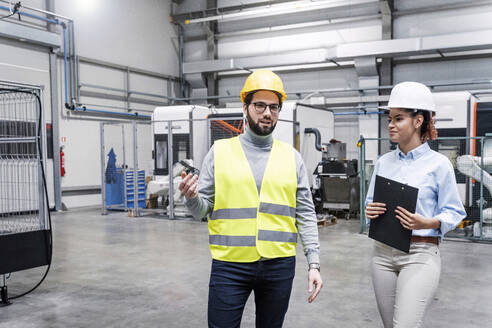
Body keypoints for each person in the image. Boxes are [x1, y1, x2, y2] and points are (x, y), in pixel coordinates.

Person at [179, 69, 322, 328]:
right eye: (259, 105)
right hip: (229, 265)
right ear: (245, 107)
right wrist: (191, 198)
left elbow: (306, 214)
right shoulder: (220, 152)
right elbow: (202, 210)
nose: (267, 113)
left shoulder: (292, 157)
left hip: (279, 266)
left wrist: (314, 263)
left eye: (274, 107)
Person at [365, 82, 466, 328]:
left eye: (398, 119)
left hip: (420, 255)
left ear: (418, 121)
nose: (390, 125)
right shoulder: (383, 162)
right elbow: (370, 202)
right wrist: (370, 211)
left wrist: (428, 222)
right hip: (382, 255)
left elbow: (455, 212)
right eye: (390, 118)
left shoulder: (439, 165)